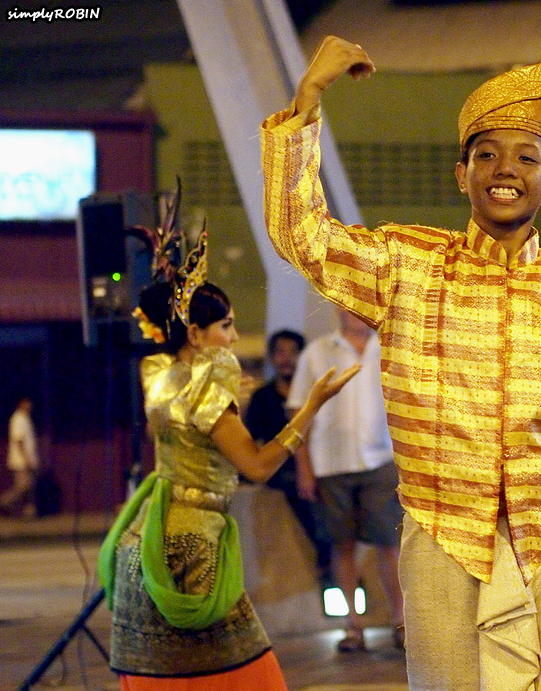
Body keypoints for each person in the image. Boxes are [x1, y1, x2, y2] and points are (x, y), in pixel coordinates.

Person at [261, 35, 541, 690]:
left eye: (526, 157)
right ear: (462, 175)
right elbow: (302, 237)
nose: (504, 168)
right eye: (486, 154)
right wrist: (308, 100)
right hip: (443, 536)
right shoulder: (410, 266)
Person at [96, 224, 358, 689]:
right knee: (249, 677)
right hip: (191, 551)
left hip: (148, 541)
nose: (235, 338)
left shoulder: (159, 374)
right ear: (196, 333)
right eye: (227, 326)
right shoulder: (209, 386)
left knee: (162, 675)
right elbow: (257, 466)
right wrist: (311, 407)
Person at [286, 308, 403, 652]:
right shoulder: (317, 352)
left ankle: (401, 622)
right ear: (338, 307)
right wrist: (304, 467)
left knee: (390, 544)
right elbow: (298, 412)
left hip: (381, 461)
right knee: (342, 545)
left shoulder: (391, 347)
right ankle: (353, 625)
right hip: (330, 463)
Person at [244, 329, 334, 582]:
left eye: (293, 353)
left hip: (317, 463)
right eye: (280, 353)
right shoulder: (262, 397)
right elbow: (251, 438)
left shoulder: (315, 396)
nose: (287, 359)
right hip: (280, 470)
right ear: (272, 357)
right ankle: (325, 556)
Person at [1, 396, 39, 518]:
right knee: (23, 486)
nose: (30, 405)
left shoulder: (25, 418)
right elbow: (19, 440)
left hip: (27, 460)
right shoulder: (18, 419)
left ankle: (29, 512)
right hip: (21, 461)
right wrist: (26, 458)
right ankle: (4, 501)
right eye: (27, 403)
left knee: (30, 487)